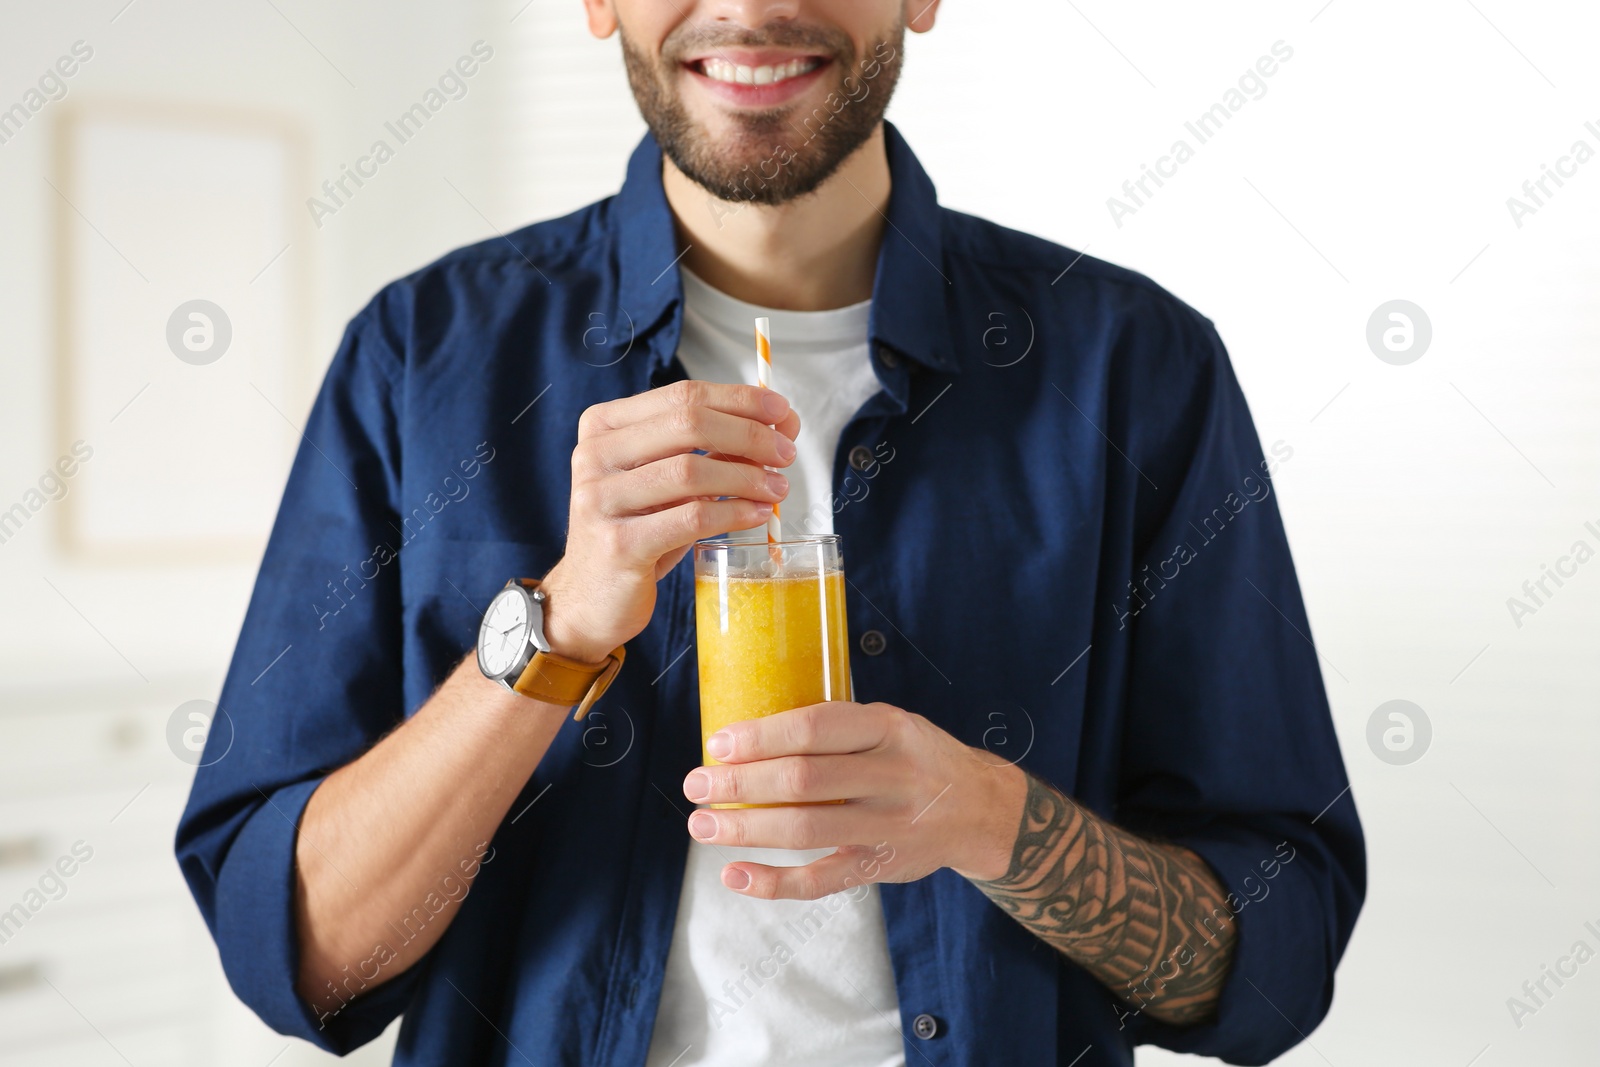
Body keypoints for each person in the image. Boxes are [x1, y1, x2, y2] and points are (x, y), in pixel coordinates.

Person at [176, 1, 1365, 1064]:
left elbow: (1273, 960)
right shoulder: (419, 357)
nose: (751, 10)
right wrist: (560, 625)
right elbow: (301, 959)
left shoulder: (1137, 370)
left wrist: (989, 815)